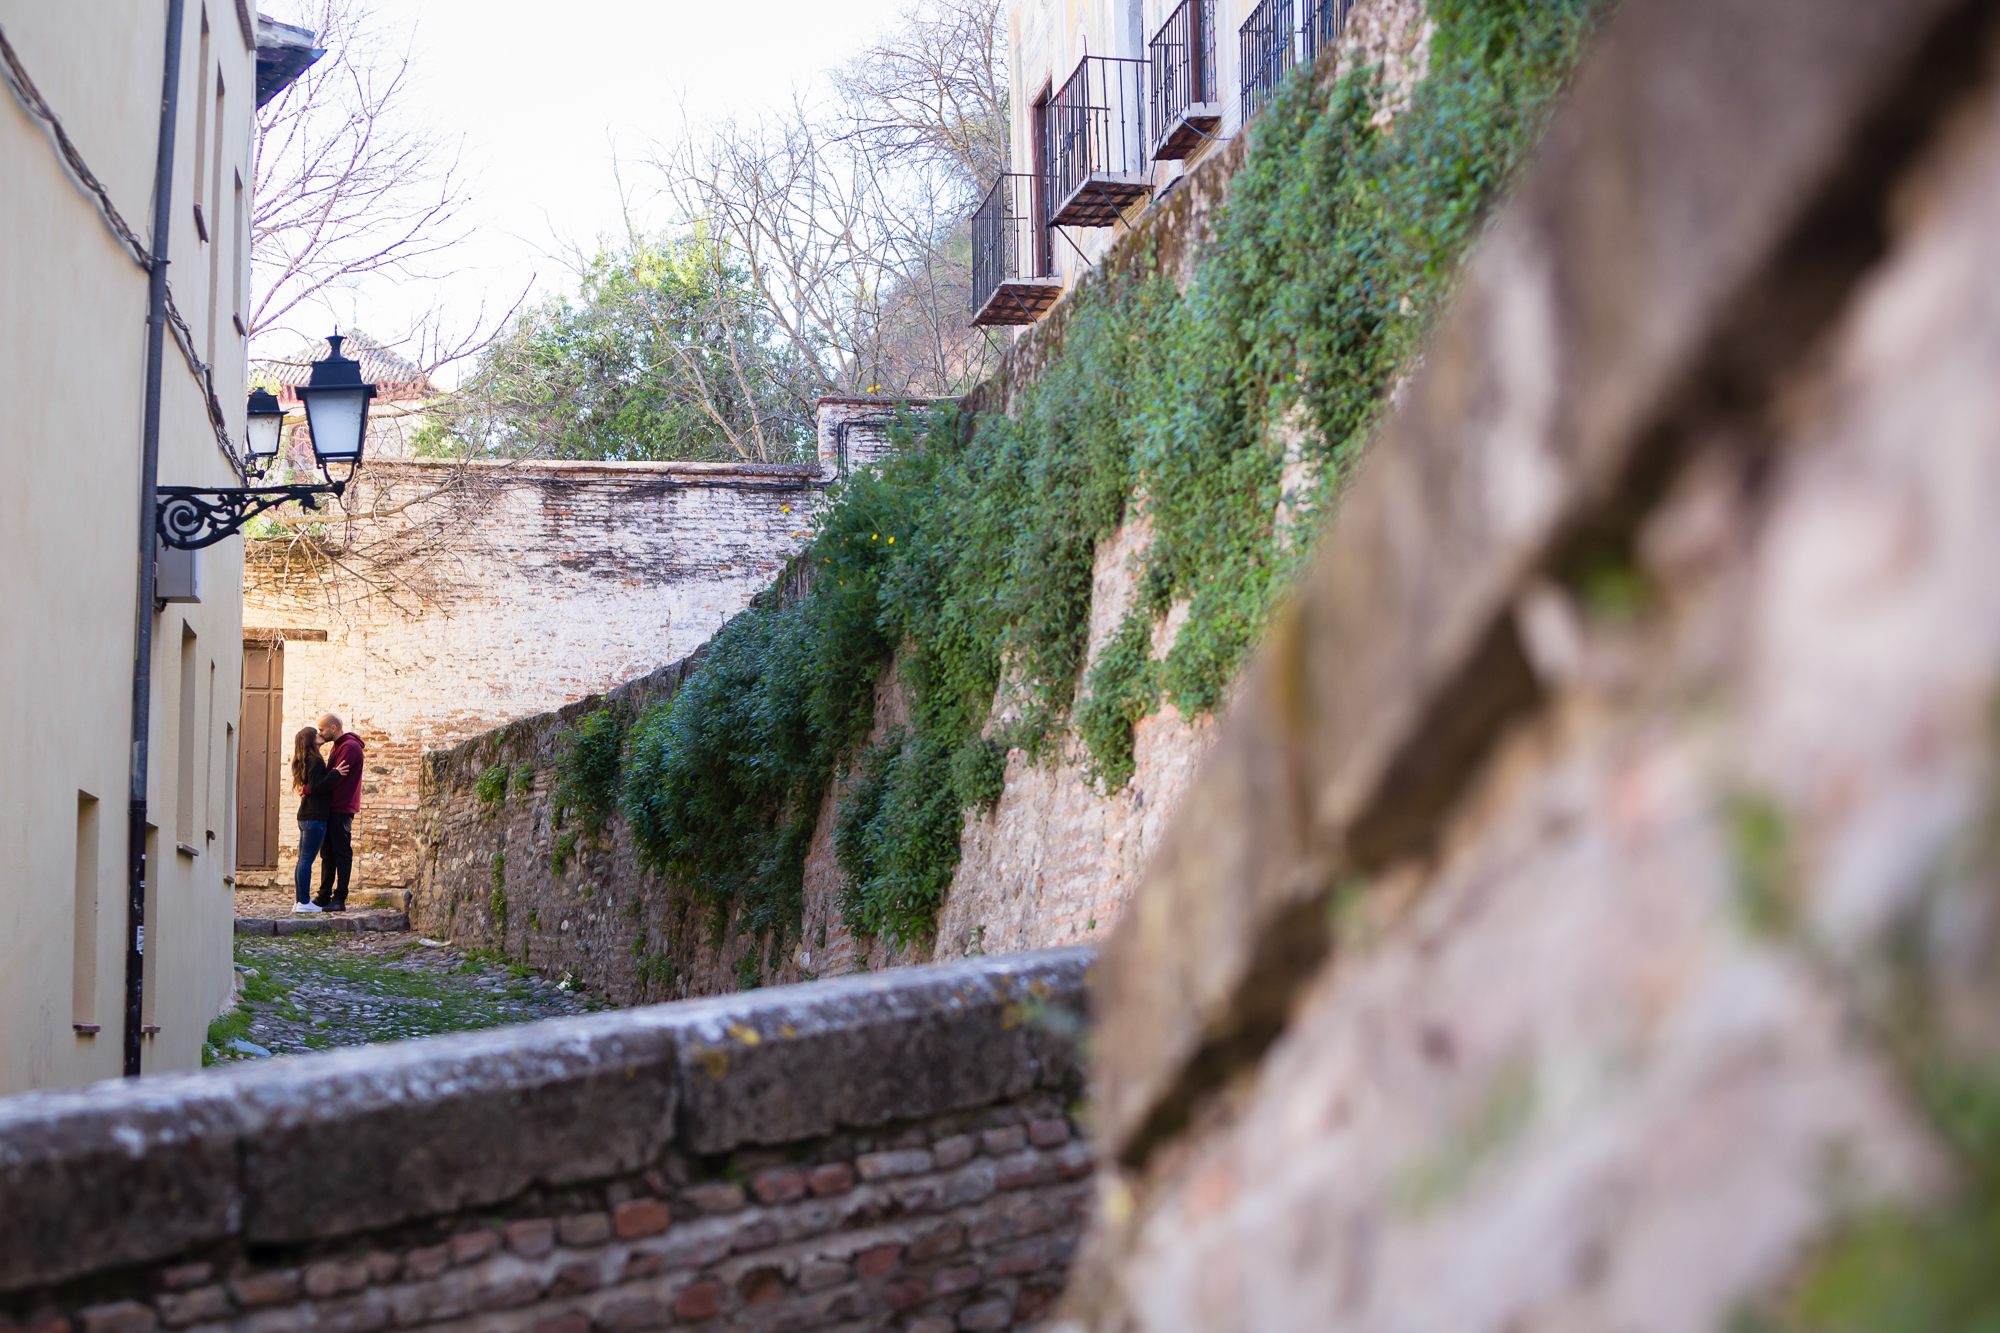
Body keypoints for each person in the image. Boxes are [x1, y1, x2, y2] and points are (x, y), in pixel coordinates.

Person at [287, 726, 348, 915]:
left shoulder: (306, 760)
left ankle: (300, 902)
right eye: (316, 734)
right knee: (306, 860)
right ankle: (304, 902)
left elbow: (309, 786)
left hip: (306, 816)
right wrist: (335, 773)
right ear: (310, 740)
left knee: (302, 860)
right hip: (315, 817)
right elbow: (315, 786)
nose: (320, 735)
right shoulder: (314, 760)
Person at [313, 713, 366, 912]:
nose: (320, 733)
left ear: (333, 728)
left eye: (322, 730)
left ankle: (339, 899)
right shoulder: (338, 746)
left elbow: (334, 779)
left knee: (341, 853)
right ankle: (324, 896)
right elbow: (329, 774)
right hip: (332, 807)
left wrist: (313, 787)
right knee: (327, 853)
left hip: (341, 808)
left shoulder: (349, 747)